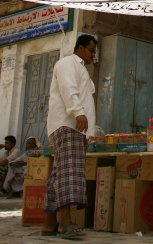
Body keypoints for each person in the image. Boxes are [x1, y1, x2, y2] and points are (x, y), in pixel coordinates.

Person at [41, 34, 97, 239]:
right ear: (80, 48)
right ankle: (64, 221)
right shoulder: (67, 63)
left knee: (58, 174)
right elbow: (68, 88)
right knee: (68, 173)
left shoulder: (82, 69)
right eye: (91, 50)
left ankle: (48, 224)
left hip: (76, 129)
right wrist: (77, 112)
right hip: (68, 126)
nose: (93, 55)